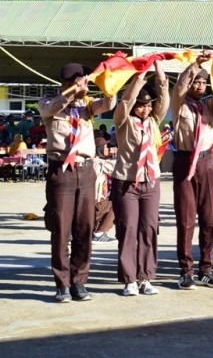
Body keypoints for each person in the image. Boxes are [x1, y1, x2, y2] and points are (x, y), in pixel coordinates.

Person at [39, 63, 116, 302]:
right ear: (65, 84)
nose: (81, 85)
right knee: (61, 229)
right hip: (61, 170)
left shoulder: (87, 107)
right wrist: (72, 92)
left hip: (85, 171)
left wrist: (108, 85)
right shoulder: (50, 103)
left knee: (85, 227)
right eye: (75, 81)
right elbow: (52, 107)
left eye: (82, 80)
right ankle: (61, 283)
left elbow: (108, 104)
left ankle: (79, 282)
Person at [171, 51, 213, 289]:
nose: (199, 85)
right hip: (186, 162)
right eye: (196, 81)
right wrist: (194, 65)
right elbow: (178, 88)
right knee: (186, 220)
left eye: (202, 81)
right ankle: (186, 271)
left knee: (209, 219)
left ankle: (206, 269)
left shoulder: (208, 106)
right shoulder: (179, 105)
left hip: (207, 163)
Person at [111, 63, 169, 296]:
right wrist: (141, 76)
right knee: (128, 229)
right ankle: (129, 279)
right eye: (141, 105)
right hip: (127, 182)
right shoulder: (123, 122)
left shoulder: (154, 121)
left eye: (148, 105)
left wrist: (159, 71)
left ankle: (145, 277)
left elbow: (163, 98)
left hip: (150, 182)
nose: (145, 109)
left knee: (149, 229)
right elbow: (124, 103)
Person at [91, 137, 116, 244]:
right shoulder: (96, 162)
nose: (109, 149)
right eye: (106, 147)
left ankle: (97, 230)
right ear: (99, 149)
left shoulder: (97, 161)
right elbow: (115, 166)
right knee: (118, 204)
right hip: (96, 203)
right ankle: (99, 233)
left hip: (98, 202)